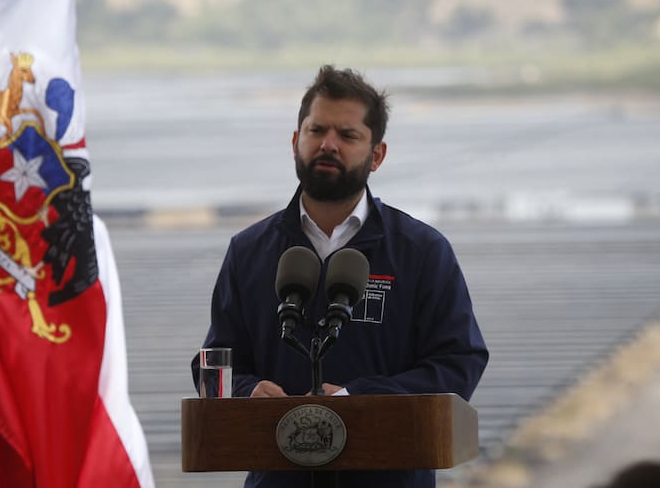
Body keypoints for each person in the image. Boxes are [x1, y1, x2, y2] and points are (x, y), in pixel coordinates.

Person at [191, 65, 489, 488]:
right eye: (317, 131)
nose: (328, 145)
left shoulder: (421, 251)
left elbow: (459, 364)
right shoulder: (249, 250)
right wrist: (244, 390)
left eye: (347, 136)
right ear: (296, 142)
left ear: (377, 154)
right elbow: (213, 363)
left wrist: (358, 401)